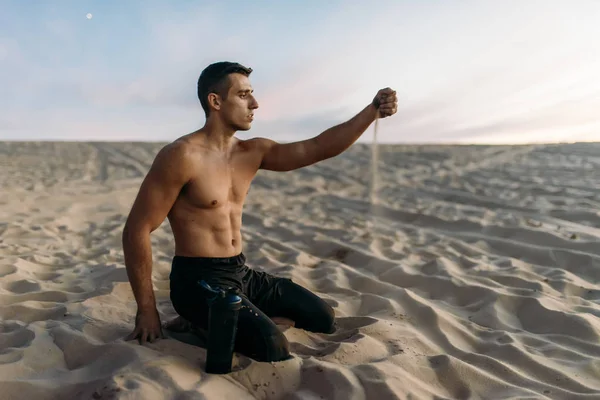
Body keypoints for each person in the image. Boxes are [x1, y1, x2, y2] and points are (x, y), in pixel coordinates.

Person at [122, 61, 398, 362]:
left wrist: (371, 111)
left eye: (252, 94)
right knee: (272, 345)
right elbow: (137, 228)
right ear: (215, 101)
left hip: (240, 272)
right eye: (243, 95)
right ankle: (199, 321)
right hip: (198, 281)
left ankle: (227, 317)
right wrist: (147, 310)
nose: (254, 103)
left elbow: (318, 147)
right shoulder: (181, 156)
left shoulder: (252, 151)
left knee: (322, 317)